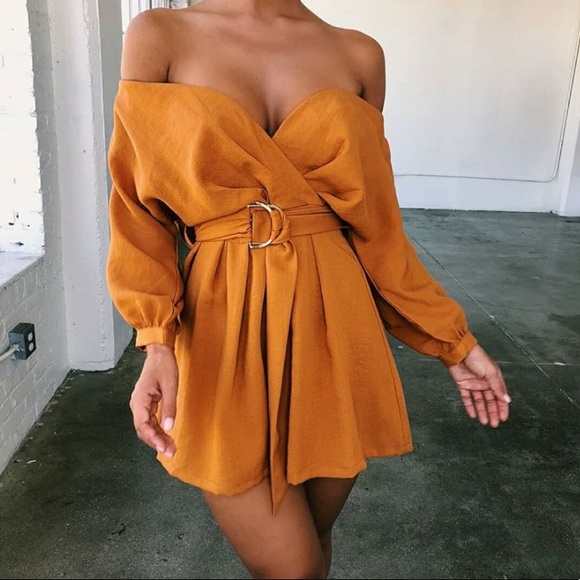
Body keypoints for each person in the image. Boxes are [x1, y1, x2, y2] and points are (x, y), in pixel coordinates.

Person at [105, 1, 511, 578]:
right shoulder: (159, 35)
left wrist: (453, 341)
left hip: (334, 324)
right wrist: (156, 338)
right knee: (292, 567)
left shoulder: (359, 54)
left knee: (313, 546)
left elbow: (379, 232)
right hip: (223, 326)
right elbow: (137, 212)